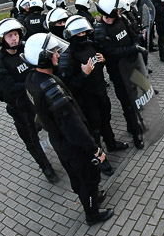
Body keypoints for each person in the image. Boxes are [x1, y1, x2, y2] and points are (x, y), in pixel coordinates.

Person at [23, 32, 114, 226]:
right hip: (73, 144)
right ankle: (93, 214)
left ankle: (93, 198)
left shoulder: (32, 78)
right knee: (88, 178)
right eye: (54, 52)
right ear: (43, 57)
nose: (58, 55)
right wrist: (94, 149)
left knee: (77, 177)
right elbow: (73, 127)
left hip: (59, 141)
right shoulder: (51, 90)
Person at [0, 18, 58, 184]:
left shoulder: (26, 49)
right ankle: (45, 167)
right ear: (2, 39)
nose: (14, 38)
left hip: (39, 100)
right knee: (31, 140)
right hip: (21, 108)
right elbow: (8, 91)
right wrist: (34, 80)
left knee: (54, 126)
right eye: (9, 36)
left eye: (15, 34)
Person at [58, 16, 128, 177]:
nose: (82, 35)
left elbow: (98, 62)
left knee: (106, 120)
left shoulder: (91, 45)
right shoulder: (67, 57)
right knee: (94, 130)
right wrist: (83, 74)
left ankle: (111, 143)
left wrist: (102, 61)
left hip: (100, 93)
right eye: (79, 33)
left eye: (84, 32)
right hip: (86, 101)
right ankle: (101, 159)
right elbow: (68, 86)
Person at [93, 0, 146, 149]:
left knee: (134, 98)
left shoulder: (122, 19)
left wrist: (136, 43)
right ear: (110, 11)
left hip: (132, 65)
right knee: (127, 104)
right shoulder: (100, 31)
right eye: (117, 9)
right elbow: (113, 52)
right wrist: (133, 48)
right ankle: (136, 134)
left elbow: (133, 34)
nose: (119, 11)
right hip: (118, 73)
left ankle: (135, 124)